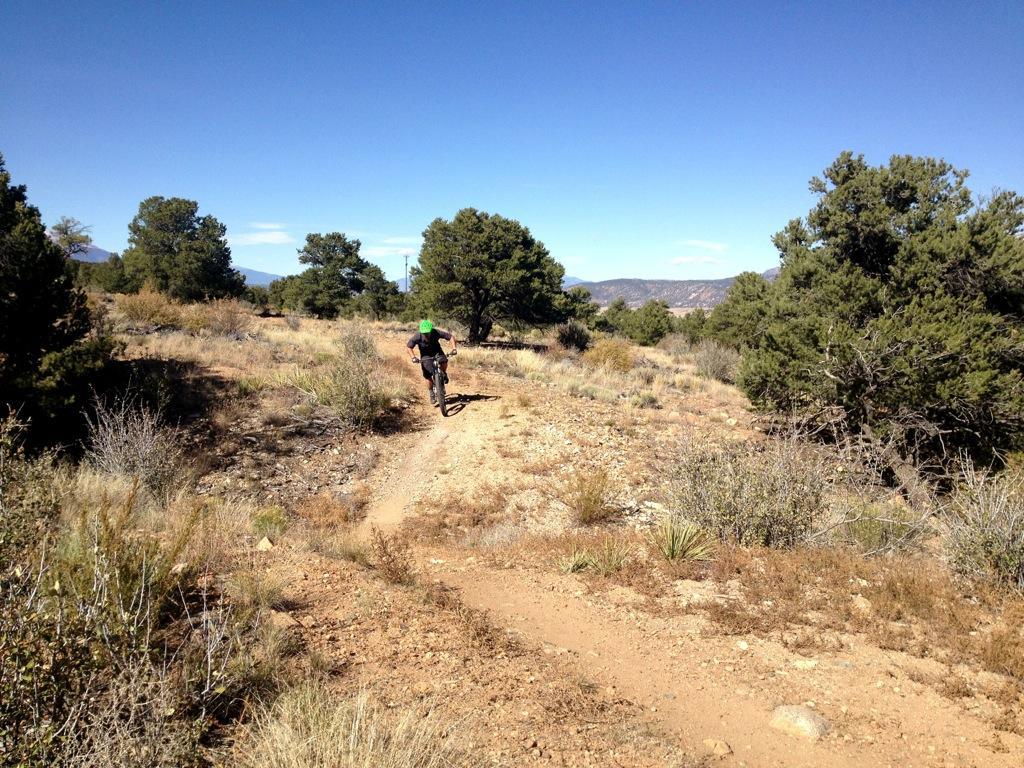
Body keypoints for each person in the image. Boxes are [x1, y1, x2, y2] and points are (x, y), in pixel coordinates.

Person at [406, 319, 457, 405]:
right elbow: (409, 347)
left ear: (431, 330)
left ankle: (443, 373)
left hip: (437, 351)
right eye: (424, 333)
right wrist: (413, 357)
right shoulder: (417, 336)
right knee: (428, 375)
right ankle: (431, 392)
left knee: (444, 361)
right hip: (425, 356)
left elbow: (450, 337)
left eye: (427, 332)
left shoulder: (436, 332)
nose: (426, 334)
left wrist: (454, 348)